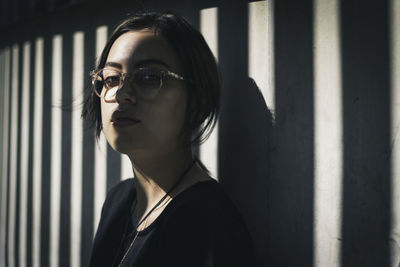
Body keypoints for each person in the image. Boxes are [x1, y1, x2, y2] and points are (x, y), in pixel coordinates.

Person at [82, 11, 253, 267]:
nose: (122, 93)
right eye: (111, 78)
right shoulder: (119, 200)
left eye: (149, 77)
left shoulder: (208, 224)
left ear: (197, 101)